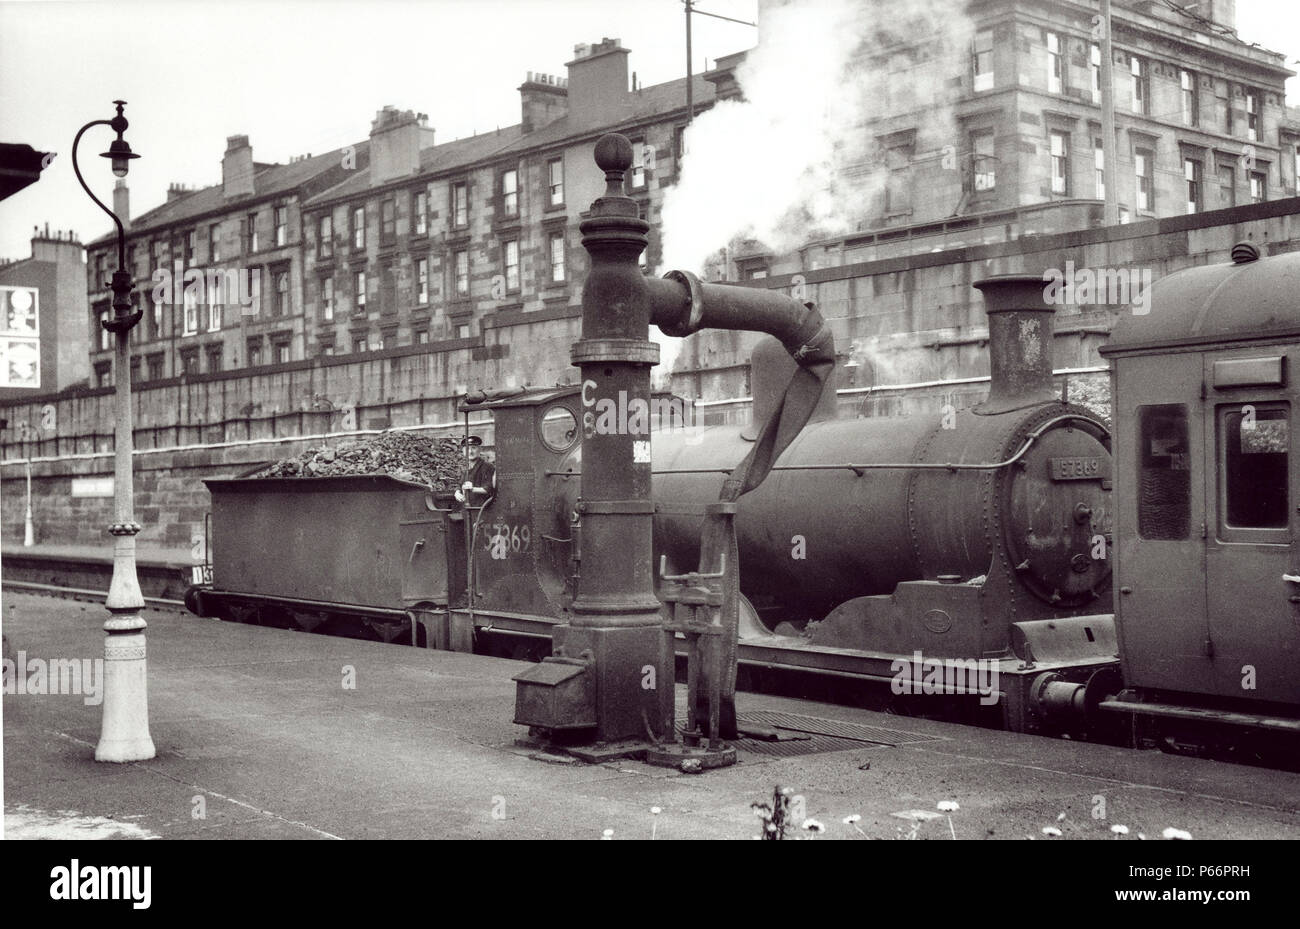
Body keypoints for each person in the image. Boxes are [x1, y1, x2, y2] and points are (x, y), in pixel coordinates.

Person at [454, 434, 496, 509]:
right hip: (467, 507)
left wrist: (472, 489)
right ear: (463, 451)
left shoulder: (487, 467)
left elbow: (488, 489)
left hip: (481, 509)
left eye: (473, 448)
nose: (470, 452)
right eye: (467, 449)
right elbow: (460, 484)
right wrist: (457, 492)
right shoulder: (465, 467)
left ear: (479, 450)